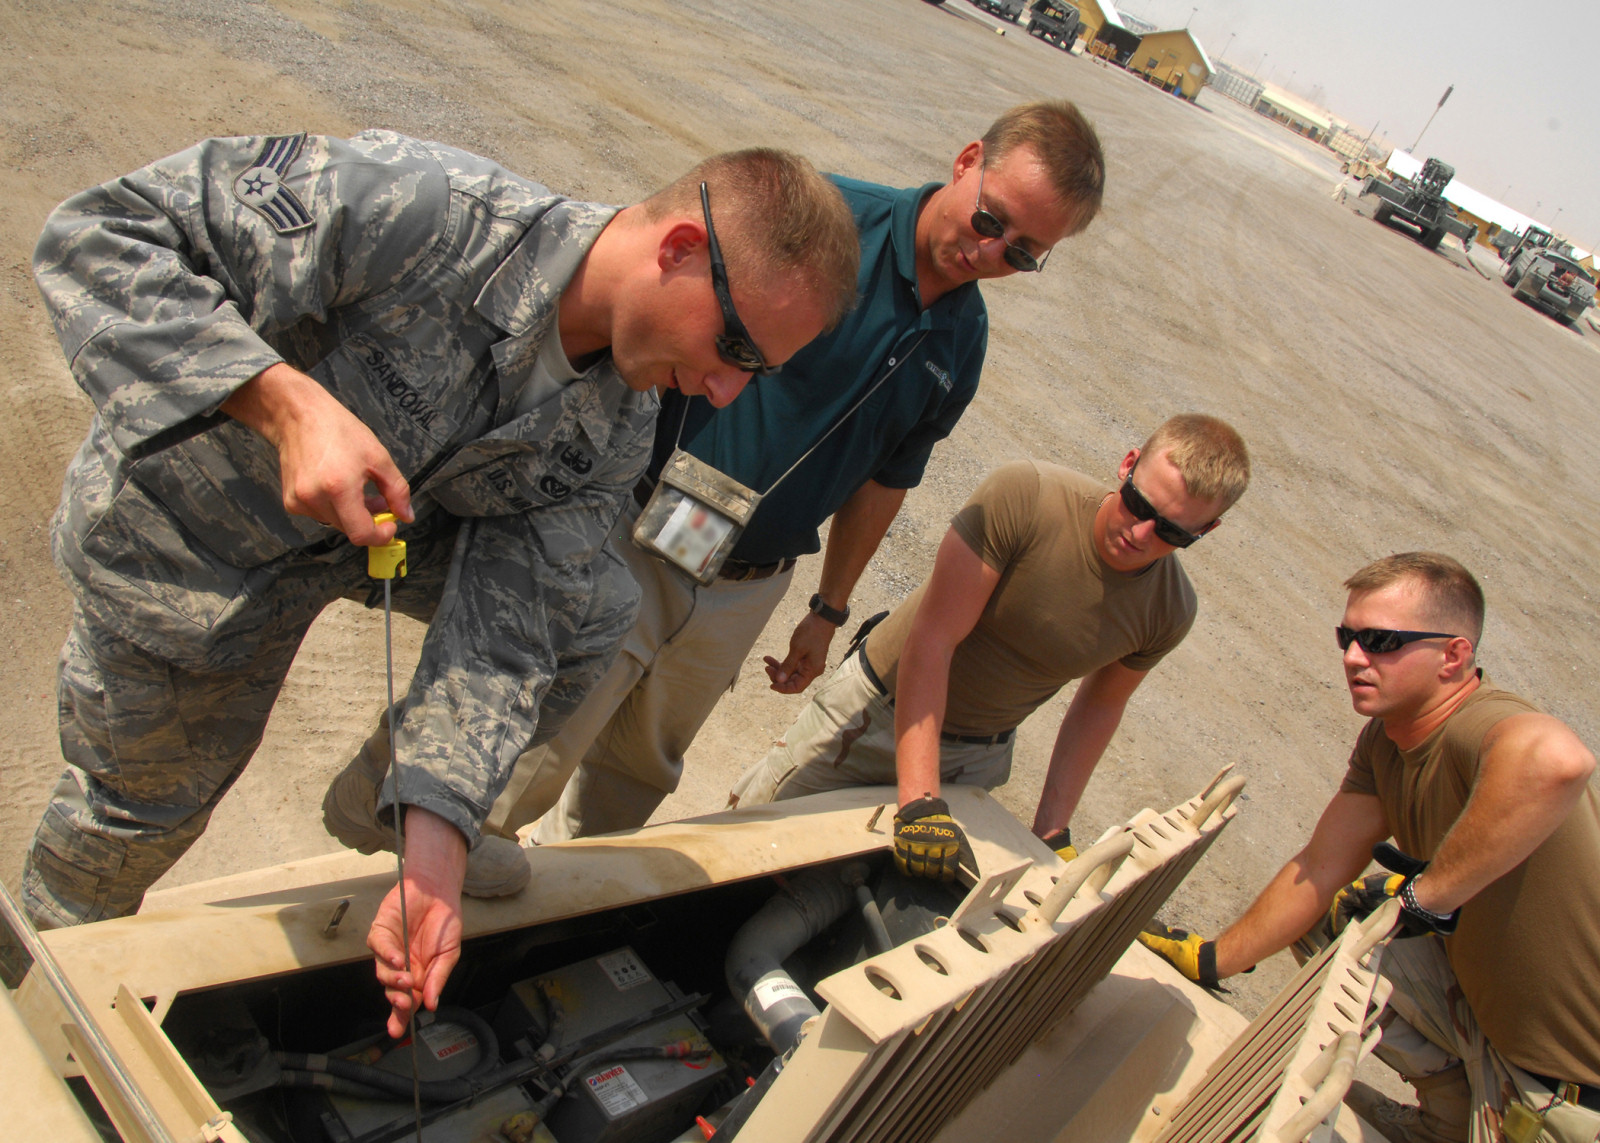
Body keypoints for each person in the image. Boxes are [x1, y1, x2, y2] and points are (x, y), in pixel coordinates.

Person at [23, 129, 860, 1036]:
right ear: (680, 251)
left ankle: (394, 796)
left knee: (595, 605)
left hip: (364, 538)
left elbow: (514, 627)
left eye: (759, 369)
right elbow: (100, 235)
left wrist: (435, 844)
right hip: (196, 539)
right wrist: (281, 403)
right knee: (140, 813)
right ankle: (29, 991)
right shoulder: (422, 209)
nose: (727, 391)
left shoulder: (621, 424)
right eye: (734, 345)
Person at [324, 100, 1108, 868]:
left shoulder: (961, 344)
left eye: (1024, 251)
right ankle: (418, 868)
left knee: (642, 767)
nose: (991, 250)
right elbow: (665, 310)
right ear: (967, 161)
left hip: (746, 583)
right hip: (638, 526)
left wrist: (827, 610)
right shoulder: (827, 230)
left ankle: (561, 896)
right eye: (990, 219)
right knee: (540, 735)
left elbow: (885, 479)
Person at [1138, 553, 1600, 1143]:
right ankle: (1450, 1117)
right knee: (1341, 918)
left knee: (1386, 915)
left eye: (1381, 641)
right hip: (1493, 1027)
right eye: (1348, 636)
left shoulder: (1477, 723)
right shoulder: (1387, 740)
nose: (1354, 657)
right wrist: (1213, 958)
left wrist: (1425, 898)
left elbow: (1560, 762)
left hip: (1565, 1088)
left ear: (1453, 657)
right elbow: (1320, 866)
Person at [729, 414, 1251, 881]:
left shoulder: (1168, 610)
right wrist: (919, 801)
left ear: (1208, 529)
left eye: (1172, 534)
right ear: (1128, 464)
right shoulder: (1026, 497)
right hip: (874, 713)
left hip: (976, 758)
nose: (1140, 533)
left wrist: (1051, 831)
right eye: (1138, 504)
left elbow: (1101, 704)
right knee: (746, 851)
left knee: (864, 893)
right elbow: (933, 639)